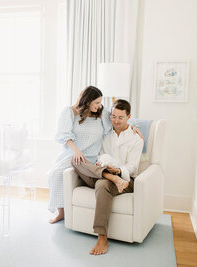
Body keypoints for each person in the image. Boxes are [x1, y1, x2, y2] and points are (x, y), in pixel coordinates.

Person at [48, 87, 142, 223]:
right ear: (87, 101)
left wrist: (133, 126)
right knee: (56, 173)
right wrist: (76, 150)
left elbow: (118, 117)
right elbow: (64, 135)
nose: (99, 106)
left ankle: (113, 178)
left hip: (93, 157)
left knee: (87, 163)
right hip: (74, 155)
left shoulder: (101, 113)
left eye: (100, 103)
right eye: (96, 103)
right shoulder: (69, 112)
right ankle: (61, 212)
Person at [71, 99, 144, 255]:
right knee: (75, 160)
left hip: (125, 179)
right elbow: (99, 153)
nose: (116, 121)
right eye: (113, 116)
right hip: (102, 172)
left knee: (102, 185)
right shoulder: (105, 132)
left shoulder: (136, 139)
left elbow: (133, 168)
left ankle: (102, 237)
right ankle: (108, 177)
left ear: (129, 117)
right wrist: (100, 164)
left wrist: (117, 171)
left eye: (120, 118)